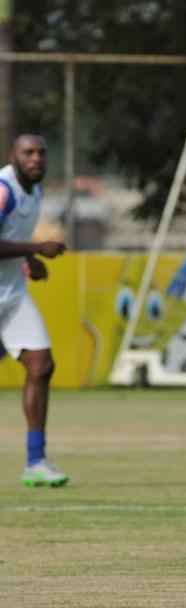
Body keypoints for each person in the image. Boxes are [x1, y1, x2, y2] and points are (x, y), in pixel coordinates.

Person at [0, 134, 68, 487]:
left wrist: (29, 260)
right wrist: (38, 247)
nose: (36, 159)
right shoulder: (3, 190)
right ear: (13, 156)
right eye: (28, 153)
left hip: (12, 296)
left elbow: (9, 234)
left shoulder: (35, 191)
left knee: (41, 365)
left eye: (42, 152)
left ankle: (36, 461)